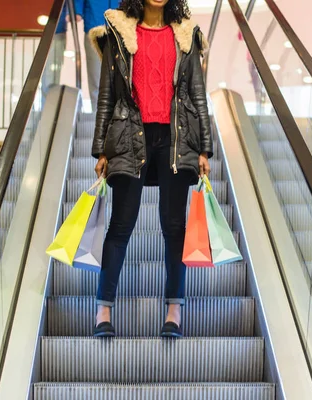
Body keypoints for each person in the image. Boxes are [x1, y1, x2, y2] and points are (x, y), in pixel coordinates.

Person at [88, 0, 211, 338]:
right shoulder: (118, 32)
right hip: (129, 134)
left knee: (174, 225)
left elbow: (197, 94)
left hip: (176, 136)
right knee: (121, 224)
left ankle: (174, 310)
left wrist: (204, 147)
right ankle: (103, 310)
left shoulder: (186, 34)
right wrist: (100, 149)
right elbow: (107, 95)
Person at [73, 0, 121, 112]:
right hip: (94, 27)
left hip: (120, 27)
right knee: (96, 77)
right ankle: (97, 117)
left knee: (121, 77)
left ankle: (119, 118)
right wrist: (77, 11)